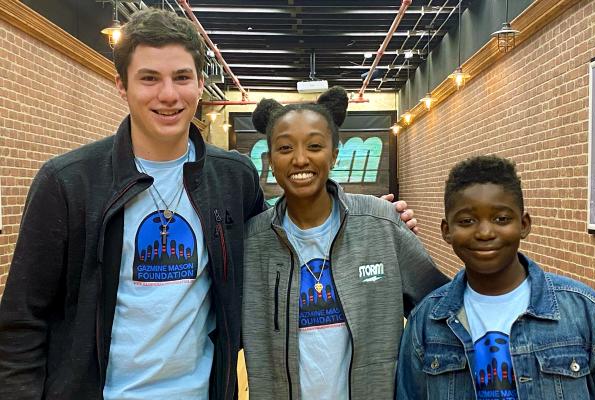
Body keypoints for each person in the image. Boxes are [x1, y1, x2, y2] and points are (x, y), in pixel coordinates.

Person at [0, 9, 417, 400]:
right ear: (122, 85)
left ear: (200, 84)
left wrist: (376, 221)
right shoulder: (68, 182)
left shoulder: (232, 178)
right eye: (149, 78)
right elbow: (21, 324)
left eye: (182, 77)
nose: (168, 94)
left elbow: (285, 238)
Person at [242, 87, 450, 399]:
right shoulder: (250, 244)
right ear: (269, 160)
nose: (300, 159)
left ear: (334, 154)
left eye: (314, 145)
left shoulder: (381, 222)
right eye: (285, 148)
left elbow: (440, 307)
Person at [396, 155, 595, 400]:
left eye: (501, 219)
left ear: (524, 224)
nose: (485, 232)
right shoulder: (426, 322)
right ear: (446, 231)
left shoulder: (587, 313)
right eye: (467, 221)